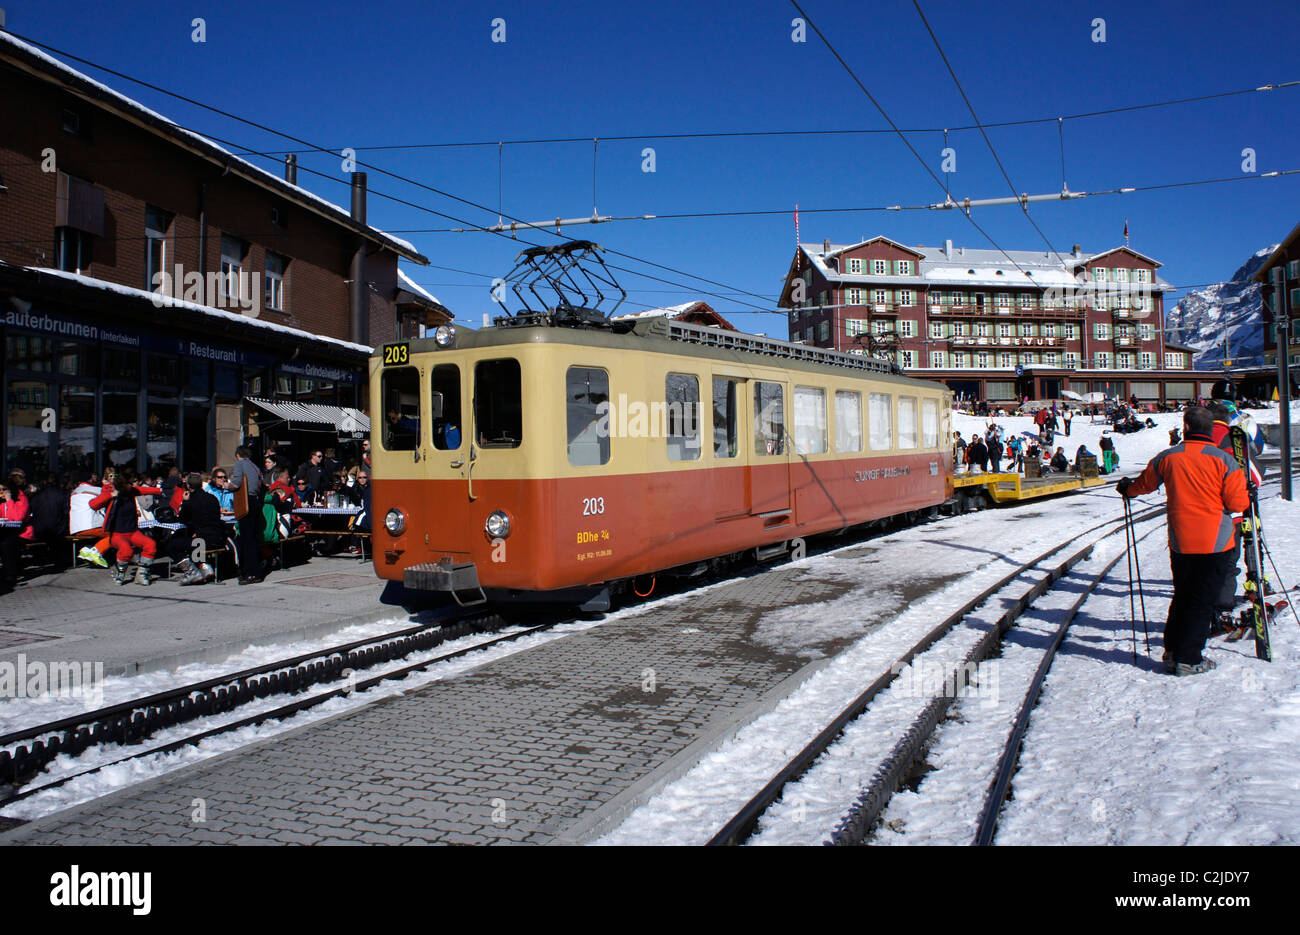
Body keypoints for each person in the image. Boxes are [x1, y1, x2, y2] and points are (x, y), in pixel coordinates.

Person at [1119, 406, 1249, 676]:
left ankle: (1172, 650)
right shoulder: (1224, 461)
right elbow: (1238, 503)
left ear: (1186, 428)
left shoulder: (1167, 457)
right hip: (1216, 541)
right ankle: (1189, 659)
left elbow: (1142, 485)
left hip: (1181, 541)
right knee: (1202, 601)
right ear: (1211, 430)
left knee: (1182, 596)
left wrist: (1127, 489)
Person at [90, 469, 162, 586]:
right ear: (123, 484)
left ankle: (142, 573)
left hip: (133, 532)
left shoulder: (132, 491)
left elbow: (144, 490)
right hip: (118, 534)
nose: (133, 485)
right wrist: (110, 495)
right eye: (130, 483)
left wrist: (160, 490)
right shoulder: (112, 492)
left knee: (150, 545)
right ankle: (120, 572)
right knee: (126, 550)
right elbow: (93, 504)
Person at [167, 474, 224, 585]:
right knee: (191, 541)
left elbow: (182, 520)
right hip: (218, 538)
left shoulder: (191, 501)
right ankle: (204, 567)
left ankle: (191, 572)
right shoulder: (212, 498)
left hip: (202, 540)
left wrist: (185, 502)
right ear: (202, 484)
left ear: (188, 486)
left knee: (172, 545)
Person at [226, 446, 265, 585]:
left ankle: (251, 572)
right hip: (255, 502)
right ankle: (253, 569)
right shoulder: (255, 467)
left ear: (237, 455)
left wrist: (226, 486)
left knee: (246, 539)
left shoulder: (239, 464)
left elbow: (236, 484)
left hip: (246, 502)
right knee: (252, 539)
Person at [1, 472, 30, 593]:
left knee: (6, 543)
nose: (2, 492)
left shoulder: (21, 499)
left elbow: (17, 518)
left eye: (4, 490)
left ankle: (11, 574)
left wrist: (9, 501)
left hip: (22, 532)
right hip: (5, 531)